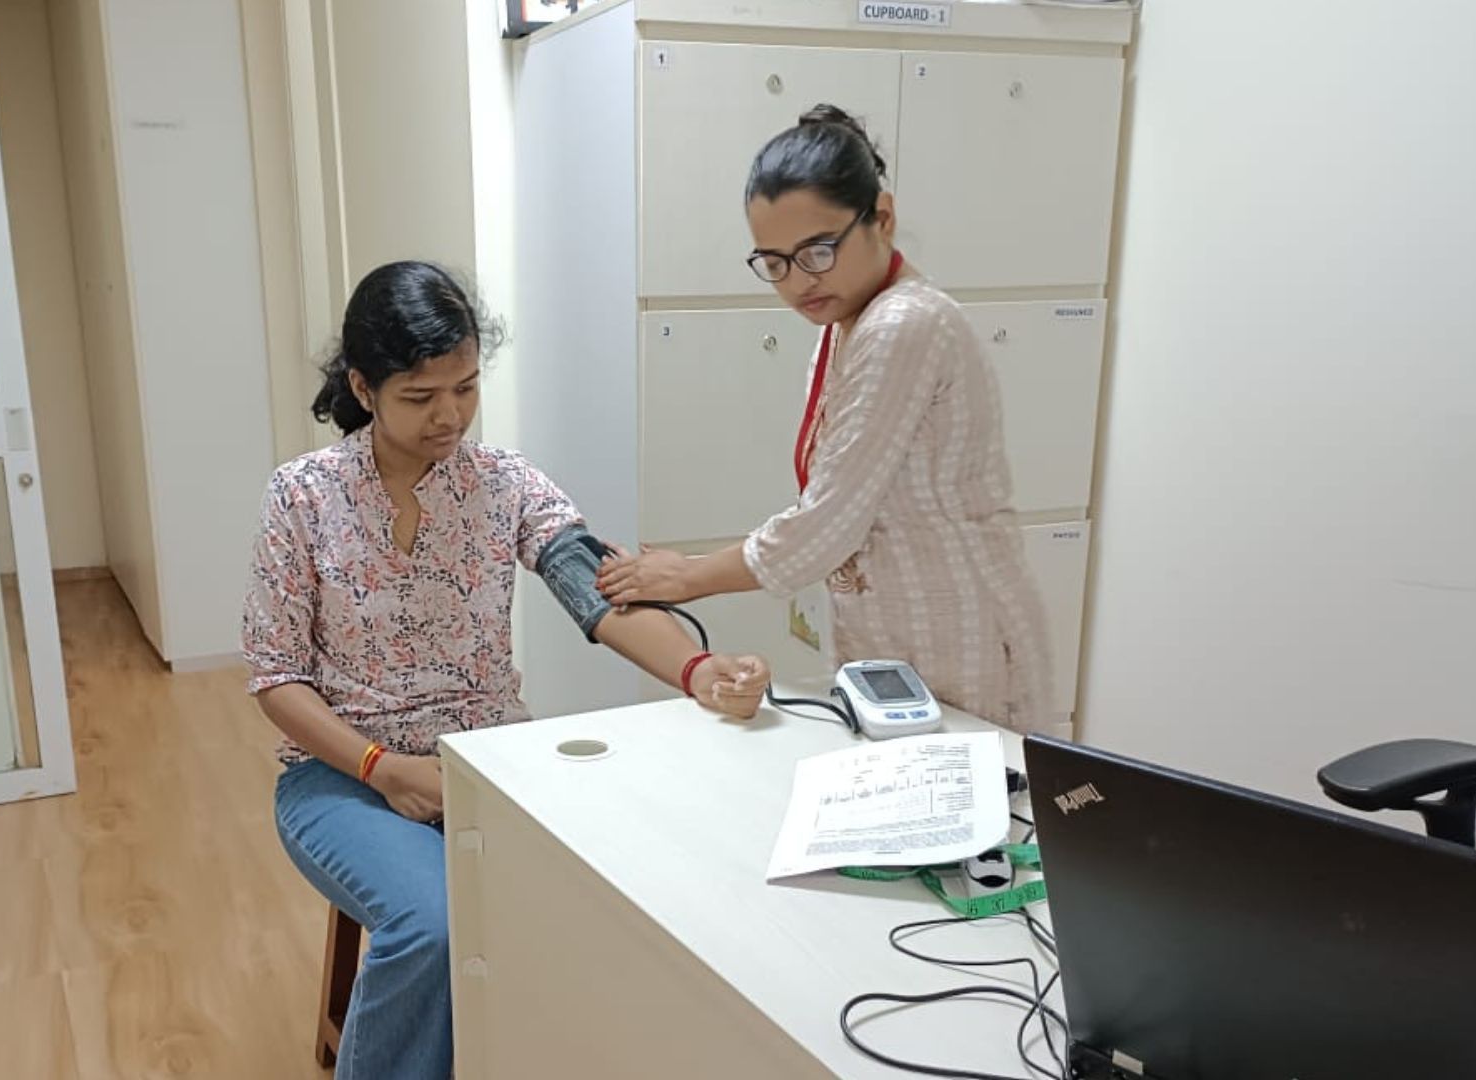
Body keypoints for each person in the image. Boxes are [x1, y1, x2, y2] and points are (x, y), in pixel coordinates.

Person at [244, 260, 770, 1080]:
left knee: (632, 889)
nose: (449, 415)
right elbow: (276, 678)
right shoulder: (304, 497)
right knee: (437, 924)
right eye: (420, 397)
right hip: (341, 775)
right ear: (363, 385)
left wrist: (701, 672)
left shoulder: (504, 483)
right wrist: (388, 771)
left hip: (491, 768)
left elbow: (599, 594)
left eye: (466, 386)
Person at [597, 105, 1055, 735]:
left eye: (817, 250)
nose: (796, 282)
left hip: (960, 636)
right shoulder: (848, 320)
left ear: (882, 219)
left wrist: (685, 577)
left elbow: (827, 524)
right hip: (897, 637)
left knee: (980, 817)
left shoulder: (903, 324)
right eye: (774, 262)